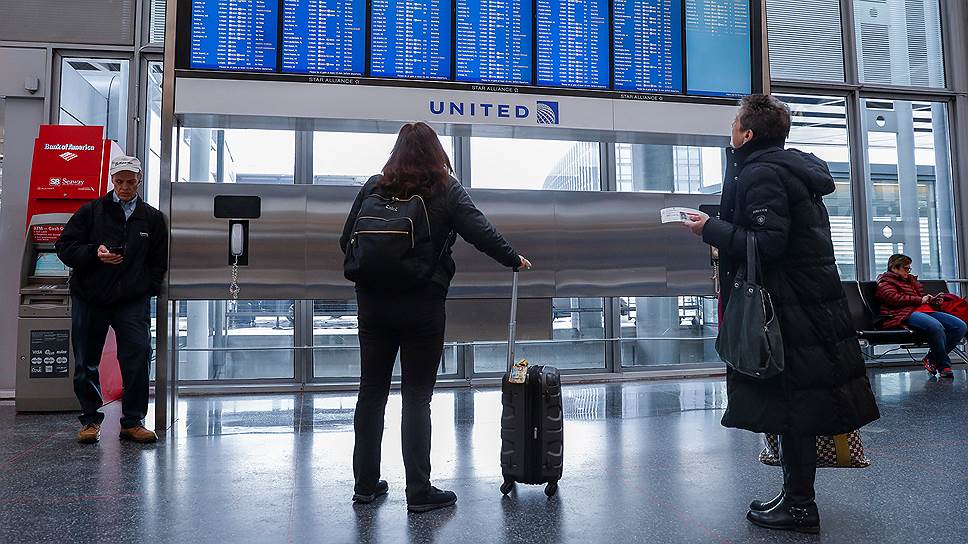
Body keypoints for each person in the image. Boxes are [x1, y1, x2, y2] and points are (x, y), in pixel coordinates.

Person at [683, 95, 880, 533]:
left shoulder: (761, 173)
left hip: (787, 308)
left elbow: (768, 243)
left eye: (734, 125)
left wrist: (709, 229)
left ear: (748, 133)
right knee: (795, 404)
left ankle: (800, 506)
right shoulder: (790, 170)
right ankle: (795, 495)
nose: (731, 131)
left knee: (793, 406)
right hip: (808, 302)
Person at [340, 122, 531, 513]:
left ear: (396, 152)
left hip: (372, 304)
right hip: (422, 305)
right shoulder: (445, 189)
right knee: (416, 396)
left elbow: (347, 241)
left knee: (371, 391)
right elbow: (480, 231)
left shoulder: (375, 186)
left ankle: (365, 485)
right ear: (436, 153)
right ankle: (419, 491)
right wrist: (513, 258)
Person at [55, 156, 168, 444]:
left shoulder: (152, 218)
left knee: (138, 357)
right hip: (90, 297)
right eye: (119, 181)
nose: (125, 187)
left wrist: (147, 288)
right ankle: (90, 420)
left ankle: (132, 421)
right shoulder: (91, 211)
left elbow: (158, 261)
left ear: (139, 180)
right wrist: (95, 252)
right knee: (86, 361)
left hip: (131, 300)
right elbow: (65, 247)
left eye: (130, 181)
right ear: (112, 181)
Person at [875, 254, 965, 379]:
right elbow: (894, 299)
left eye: (909, 268)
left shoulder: (909, 281)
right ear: (894, 268)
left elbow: (917, 299)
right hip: (902, 314)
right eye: (906, 268)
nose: (908, 271)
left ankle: (931, 358)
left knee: (960, 326)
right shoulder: (884, 282)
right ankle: (944, 366)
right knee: (935, 326)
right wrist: (920, 300)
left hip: (920, 310)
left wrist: (931, 301)